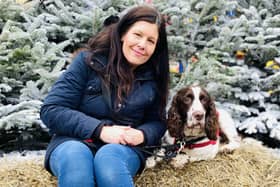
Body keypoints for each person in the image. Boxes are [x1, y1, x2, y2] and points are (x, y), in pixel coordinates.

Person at [40, 4, 169, 187]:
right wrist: (100, 130)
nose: (142, 45)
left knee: (109, 162)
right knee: (76, 163)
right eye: (137, 35)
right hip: (73, 140)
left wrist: (142, 134)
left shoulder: (154, 78)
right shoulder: (87, 62)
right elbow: (51, 110)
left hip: (123, 149)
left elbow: (157, 122)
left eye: (151, 41)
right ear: (123, 33)